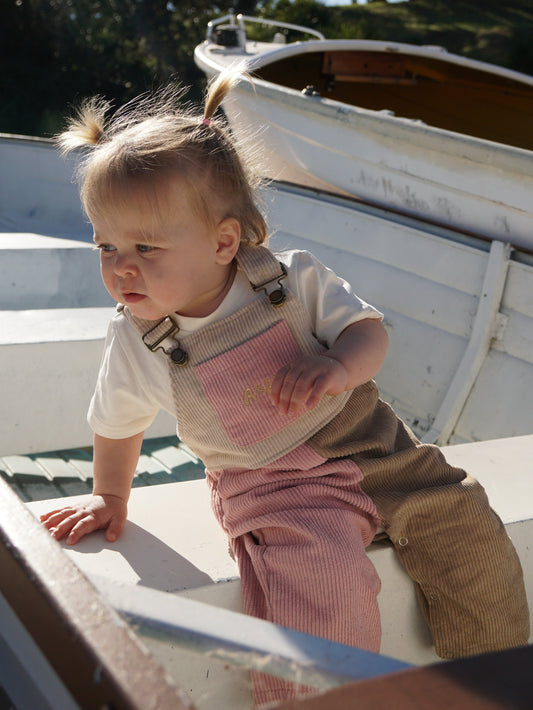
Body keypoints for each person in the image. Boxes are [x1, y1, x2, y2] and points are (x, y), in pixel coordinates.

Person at [41, 72, 529, 707]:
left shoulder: (291, 280)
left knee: (465, 520)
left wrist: (341, 369)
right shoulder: (142, 339)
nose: (120, 266)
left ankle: (492, 671)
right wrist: (110, 495)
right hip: (276, 485)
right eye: (105, 246)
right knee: (322, 577)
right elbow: (117, 421)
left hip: (376, 446)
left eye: (145, 247)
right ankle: (318, 699)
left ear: (224, 242)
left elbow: (368, 332)